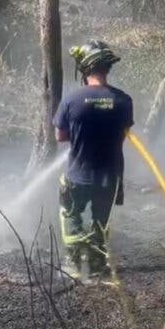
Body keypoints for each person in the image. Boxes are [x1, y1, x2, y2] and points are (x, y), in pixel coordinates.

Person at [52, 40, 134, 281]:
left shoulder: (72, 99)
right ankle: (98, 267)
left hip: (78, 175)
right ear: (106, 68)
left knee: (71, 218)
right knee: (101, 224)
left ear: (84, 70)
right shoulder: (123, 101)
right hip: (109, 177)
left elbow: (60, 136)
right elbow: (123, 135)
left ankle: (76, 267)